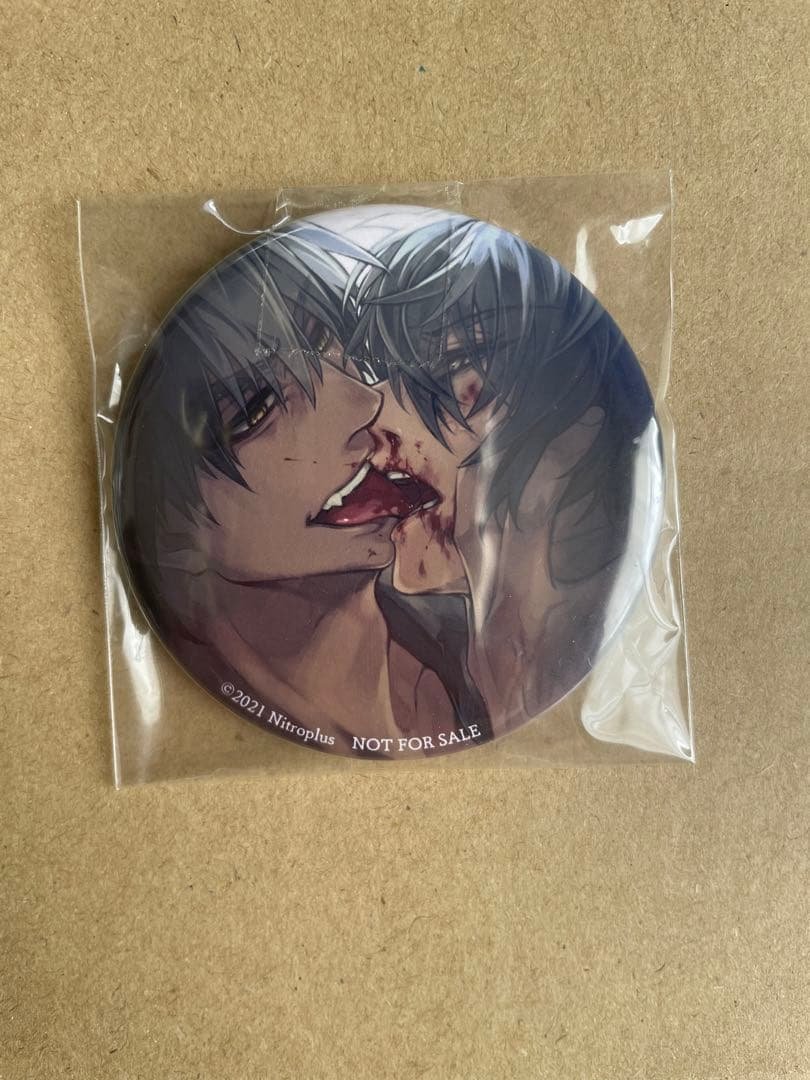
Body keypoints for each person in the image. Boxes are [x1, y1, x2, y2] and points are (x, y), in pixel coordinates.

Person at [114, 221, 487, 756]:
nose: (368, 403)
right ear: (171, 523)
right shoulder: (203, 697)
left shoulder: (474, 646)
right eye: (256, 411)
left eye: (336, 353)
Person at [345, 209, 661, 731]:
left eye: (445, 375)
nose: (372, 419)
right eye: (385, 378)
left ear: (575, 433)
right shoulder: (417, 672)